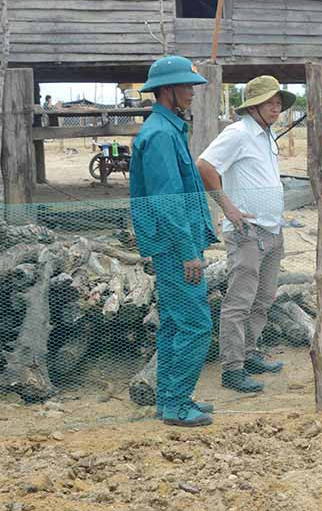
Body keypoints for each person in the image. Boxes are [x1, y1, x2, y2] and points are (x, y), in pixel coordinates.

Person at [129, 55, 217, 427]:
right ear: (168, 91)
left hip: (171, 246)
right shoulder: (162, 135)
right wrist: (188, 253)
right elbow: (167, 202)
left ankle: (170, 399)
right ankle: (178, 404)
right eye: (186, 87)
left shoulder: (165, 129)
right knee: (196, 324)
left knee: (175, 325)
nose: (192, 93)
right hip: (174, 249)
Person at [196, 75, 296, 393]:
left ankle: (250, 353)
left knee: (264, 298)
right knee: (239, 301)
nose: (276, 107)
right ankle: (232, 368)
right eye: (270, 102)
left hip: (271, 228)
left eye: (279, 102)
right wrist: (228, 207)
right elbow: (204, 166)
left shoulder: (266, 135)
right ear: (253, 104)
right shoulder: (237, 133)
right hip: (246, 231)